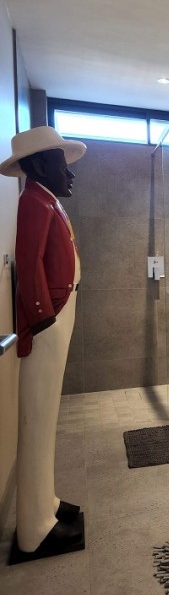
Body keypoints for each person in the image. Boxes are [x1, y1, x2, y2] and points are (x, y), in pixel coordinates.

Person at [0, 126, 87, 563]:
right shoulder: (33, 201)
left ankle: (45, 503)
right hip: (47, 319)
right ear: (37, 166)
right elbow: (29, 261)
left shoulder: (46, 199)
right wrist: (42, 316)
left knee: (46, 418)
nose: (69, 172)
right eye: (59, 163)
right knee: (37, 421)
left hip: (57, 311)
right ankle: (34, 528)